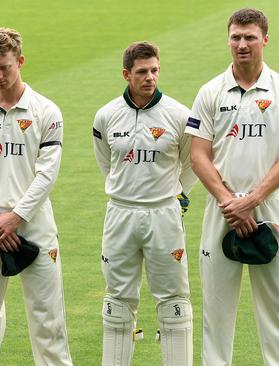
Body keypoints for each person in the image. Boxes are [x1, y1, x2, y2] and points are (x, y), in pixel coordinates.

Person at [186, 8, 279, 366]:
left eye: (250, 37)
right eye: (236, 37)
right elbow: (198, 156)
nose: (242, 44)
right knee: (217, 311)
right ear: (229, 39)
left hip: (268, 207)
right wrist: (231, 203)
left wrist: (252, 200)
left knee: (278, 310)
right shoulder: (210, 91)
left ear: (265, 40)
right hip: (221, 208)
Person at [0, 27, 73, 366]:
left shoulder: (46, 111)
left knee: (47, 318)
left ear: (20, 61)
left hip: (34, 224)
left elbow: (47, 173)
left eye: (4, 67)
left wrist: (16, 216)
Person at [92, 42, 197, 366]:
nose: (150, 77)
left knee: (173, 300)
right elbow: (107, 164)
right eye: (141, 72)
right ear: (126, 74)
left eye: (154, 70)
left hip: (163, 213)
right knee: (118, 302)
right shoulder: (106, 116)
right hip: (120, 213)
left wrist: (175, 195)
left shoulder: (180, 115)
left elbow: (192, 163)